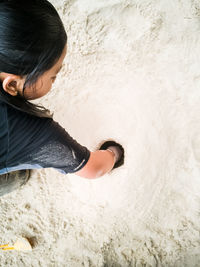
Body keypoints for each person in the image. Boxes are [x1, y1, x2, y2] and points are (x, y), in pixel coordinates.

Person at [0, 0, 124, 197]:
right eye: (53, 76)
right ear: (12, 85)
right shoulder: (33, 131)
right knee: (18, 176)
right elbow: (94, 168)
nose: (55, 80)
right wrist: (113, 152)